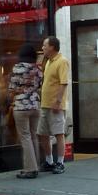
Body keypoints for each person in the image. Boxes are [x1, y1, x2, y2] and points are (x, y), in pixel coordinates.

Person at [8, 44, 43, 178]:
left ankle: (30, 169)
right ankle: (36, 166)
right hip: (35, 105)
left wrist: (15, 94)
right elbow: (40, 85)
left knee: (25, 137)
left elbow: (12, 88)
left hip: (21, 106)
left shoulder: (17, 68)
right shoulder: (38, 69)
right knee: (33, 135)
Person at [38, 36, 70, 174]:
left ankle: (60, 162)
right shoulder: (49, 62)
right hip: (44, 104)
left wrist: (57, 101)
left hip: (56, 105)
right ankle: (49, 161)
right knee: (42, 133)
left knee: (58, 133)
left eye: (45, 45)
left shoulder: (62, 61)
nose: (43, 48)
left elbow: (63, 83)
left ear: (52, 47)